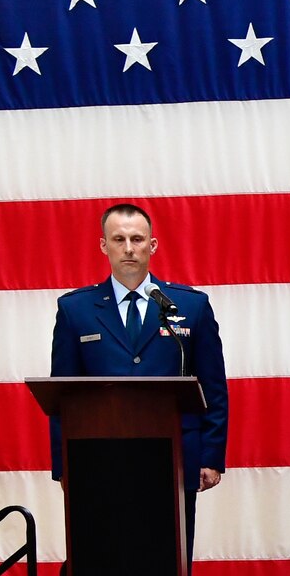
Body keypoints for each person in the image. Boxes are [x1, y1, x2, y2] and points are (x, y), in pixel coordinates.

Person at [49, 202, 228, 552]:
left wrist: (210, 456)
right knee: (106, 564)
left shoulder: (188, 306)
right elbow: (61, 398)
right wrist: (64, 464)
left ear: (153, 245)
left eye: (137, 239)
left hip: (173, 459)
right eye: (118, 239)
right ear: (104, 246)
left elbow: (213, 387)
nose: (128, 248)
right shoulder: (76, 310)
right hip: (97, 459)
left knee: (169, 567)